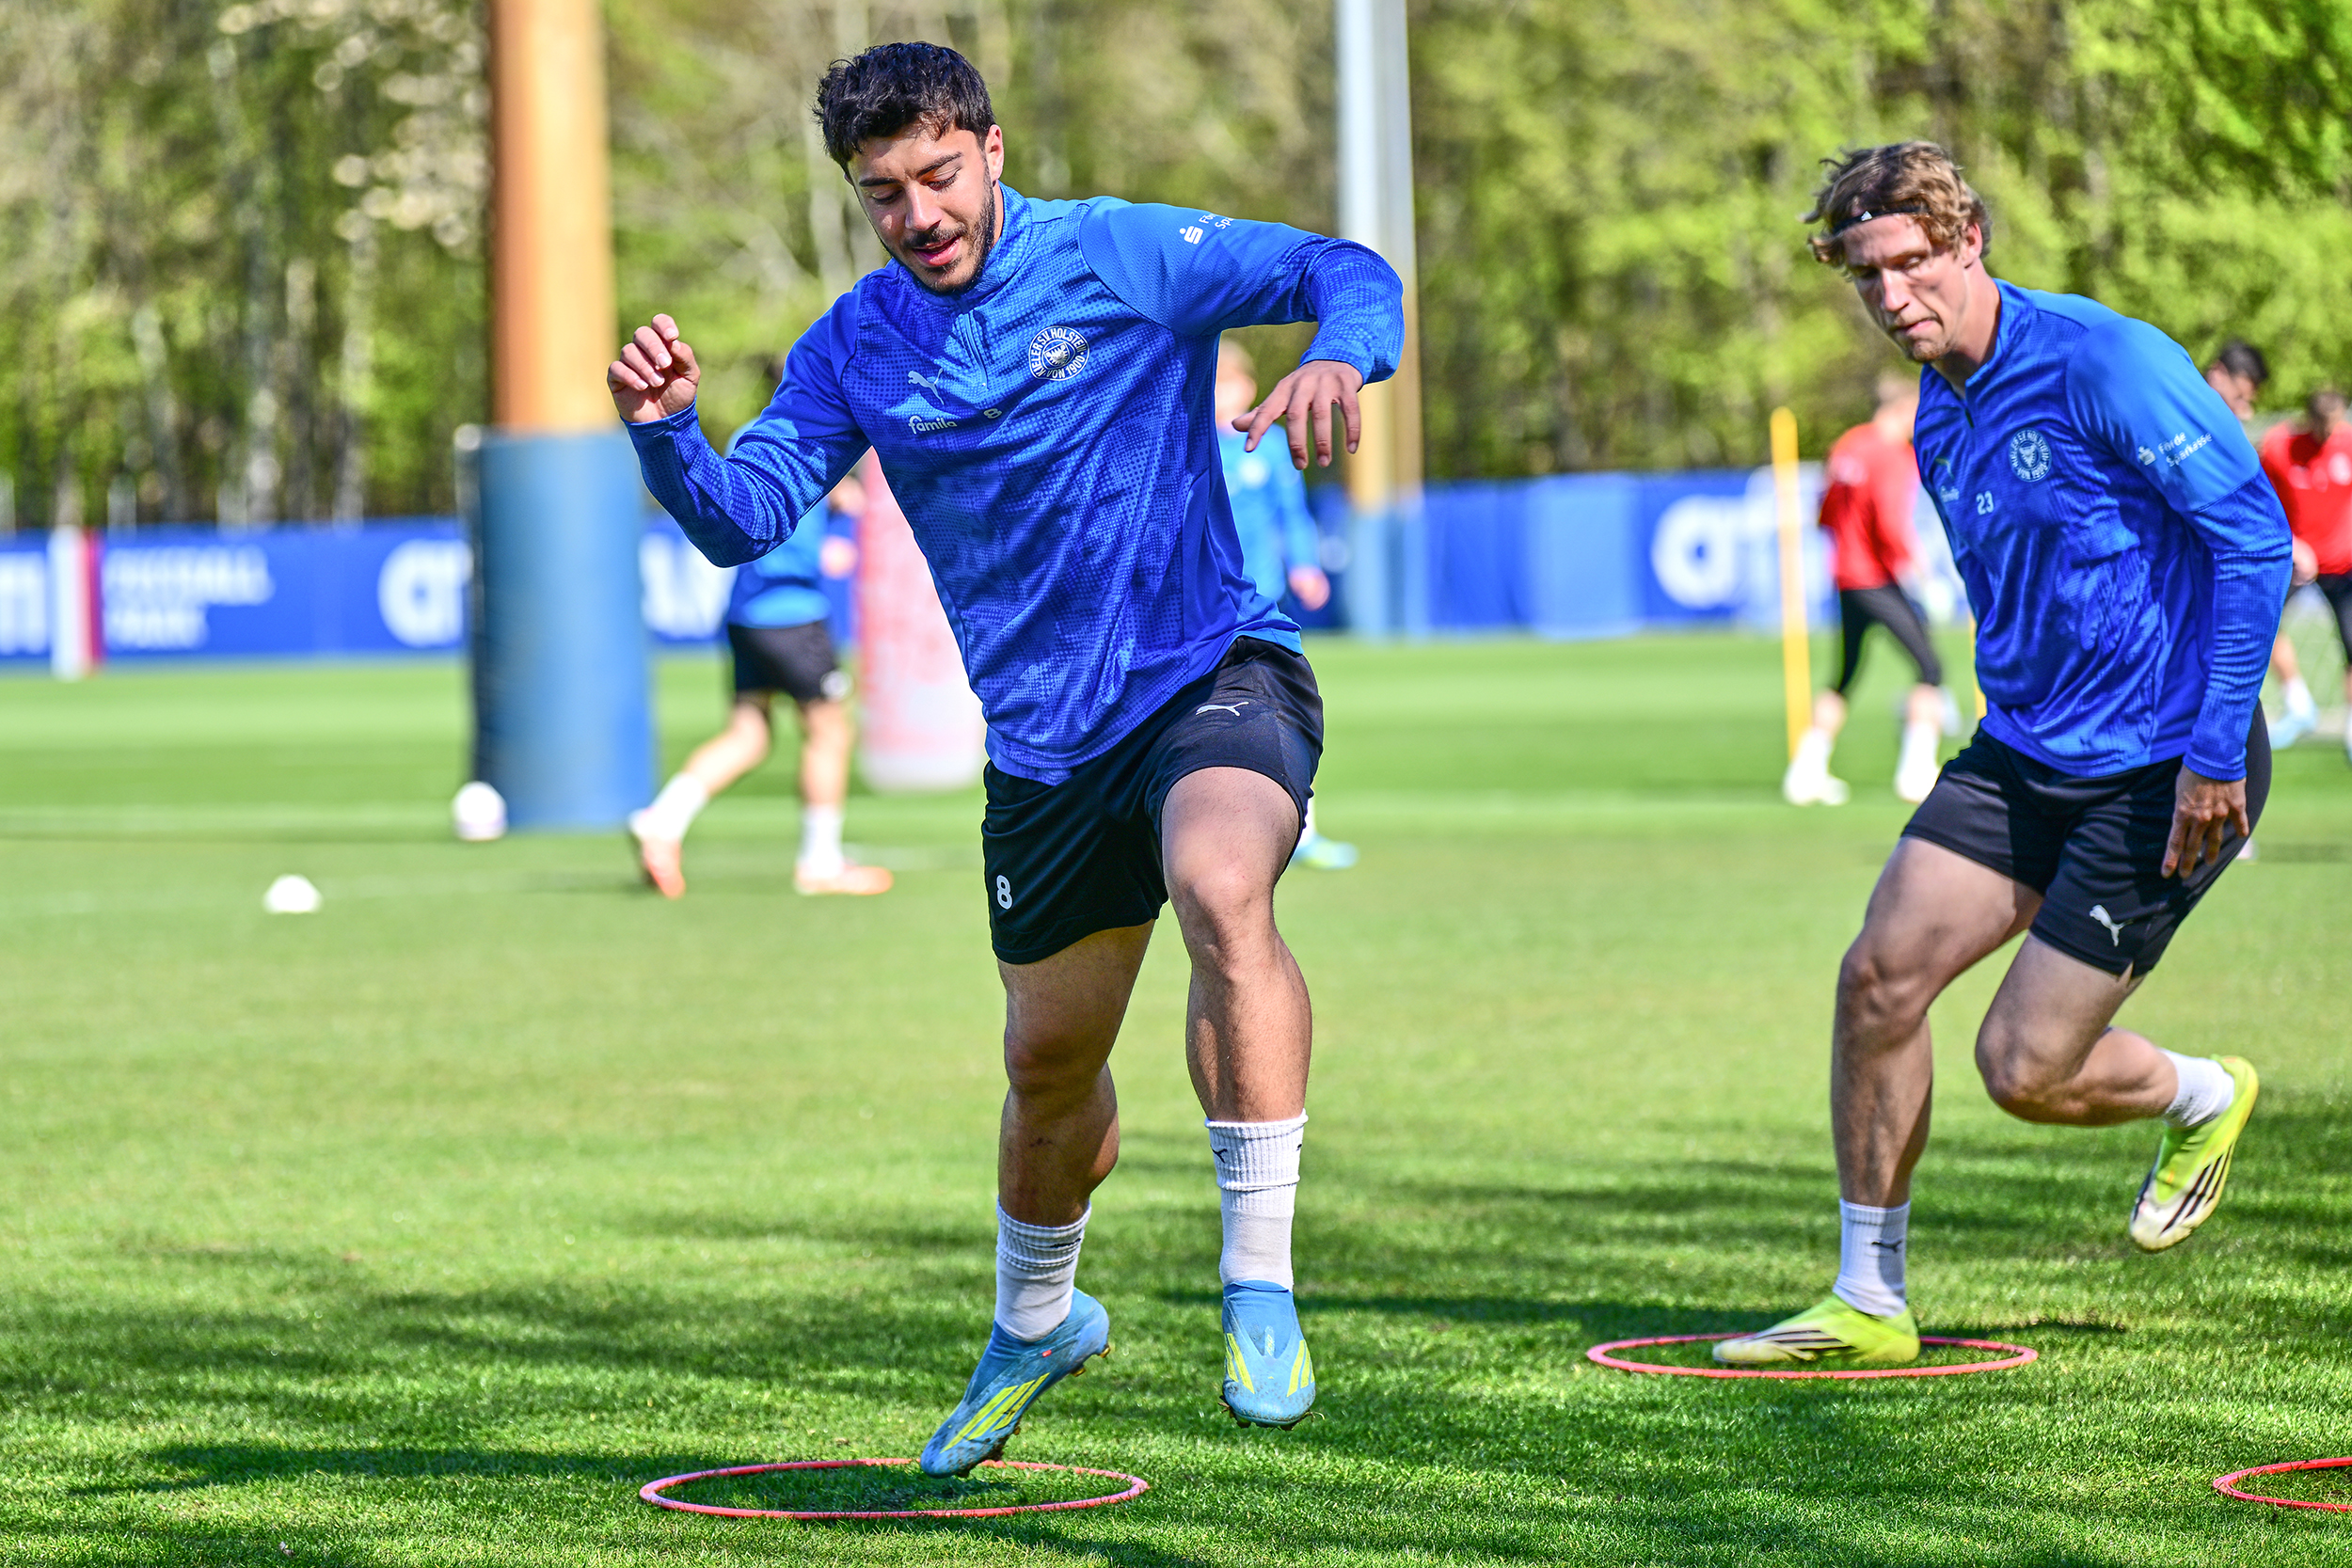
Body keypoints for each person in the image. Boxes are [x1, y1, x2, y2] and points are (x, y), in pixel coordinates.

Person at [607, 44, 1402, 1465]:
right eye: (881, 192)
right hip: (1043, 749)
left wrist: (1342, 347)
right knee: (1048, 1062)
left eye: (935, 174)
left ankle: (1260, 1276)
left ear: (985, 143)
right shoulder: (856, 344)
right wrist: (668, 440)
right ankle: (1038, 1318)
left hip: (1210, 665)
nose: (916, 213)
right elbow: (743, 515)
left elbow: (1348, 265)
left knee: (1225, 882)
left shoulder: (1113, 252)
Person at [1718, 142, 2288, 1368]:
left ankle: (2201, 1091)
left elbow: (2254, 544)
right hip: (2025, 751)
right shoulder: (1938, 408)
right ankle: (1868, 1297)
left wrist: (2210, 750)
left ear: (1968, 241)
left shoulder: (2104, 360)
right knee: (1877, 977)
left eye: (1911, 264)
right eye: (1866, 275)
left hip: (2175, 760)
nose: (1890, 298)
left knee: (2023, 1068)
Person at [628, 390, 892, 898]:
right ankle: (820, 862)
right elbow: (785, 547)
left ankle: (663, 820)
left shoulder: (751, 432)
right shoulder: (812, 435)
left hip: (745, 614)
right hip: (791, 615)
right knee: (830, 731)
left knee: (749, 735)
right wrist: (827, 549)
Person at [1215, 338, 1356, 869]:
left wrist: (1305, 563)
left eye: (1231, 384)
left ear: (1249, 388)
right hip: (1203, 607)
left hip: (1261, 603)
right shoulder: (1187, 442)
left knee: (1281, 708)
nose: (1222, 395)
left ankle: (1302, 828)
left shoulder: (1269, 447)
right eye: (1214, 384)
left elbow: (1292, 514)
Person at [1783, 372, 1950, 807]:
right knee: (1930, 668)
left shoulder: (1847, 444)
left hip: (1845, 576)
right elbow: (1891, 523)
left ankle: (1806, 771)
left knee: (1845, 674)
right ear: (1901, 409)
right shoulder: (1891, 456)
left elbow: (1823, 512)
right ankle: (1915, 773)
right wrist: (1922, 576)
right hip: (1875, 577)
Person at [2257, 388, 2352, 757]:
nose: (2331, 431)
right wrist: (2292, 541)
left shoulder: (2347, 445)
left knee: (2351, 642)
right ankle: (2299, 703)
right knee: (2261, 623)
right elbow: (2262, 498)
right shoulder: (2281, 447)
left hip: (2343, 565)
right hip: (2295, 560)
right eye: (2324, 424)